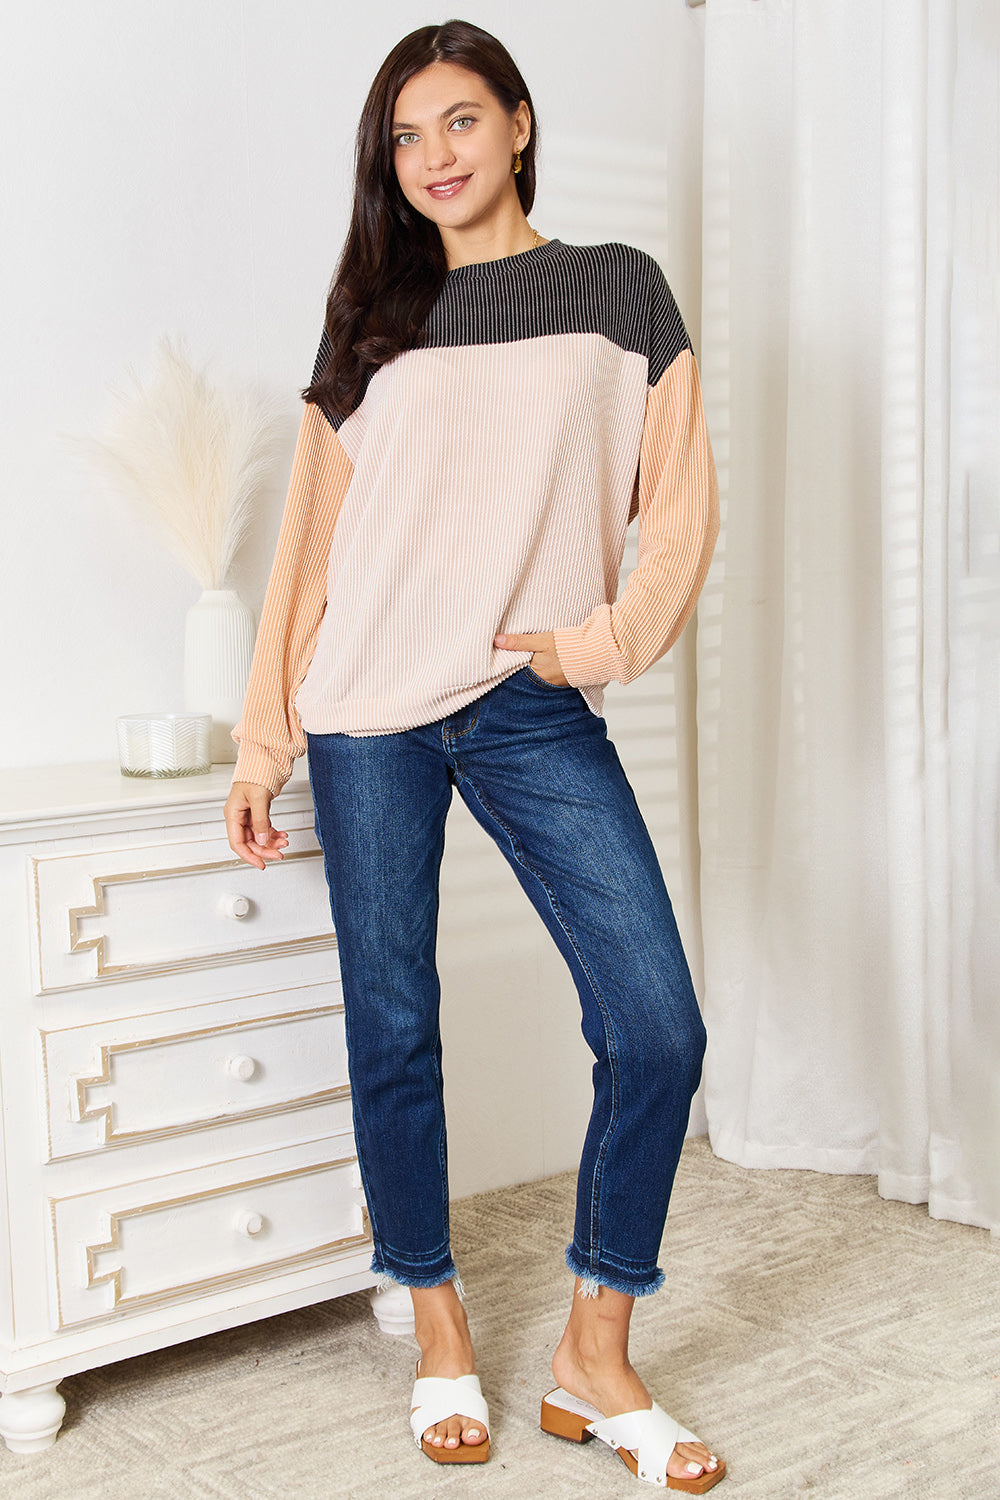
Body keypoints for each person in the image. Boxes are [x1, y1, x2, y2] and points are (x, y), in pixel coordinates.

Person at [224, 18, 724, 1492]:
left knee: (658, 1028)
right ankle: (438, 1325)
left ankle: (595, 1351)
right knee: (394, 1024)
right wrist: (267, 740)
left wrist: (596, 646)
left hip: (522, 696)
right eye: (404, 137)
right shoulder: (372, 316)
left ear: (515, 122)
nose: (433, 158)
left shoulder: (617, 293)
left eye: (456, 123)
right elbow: (308, 549)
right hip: (365, 703)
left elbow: (679, 504)